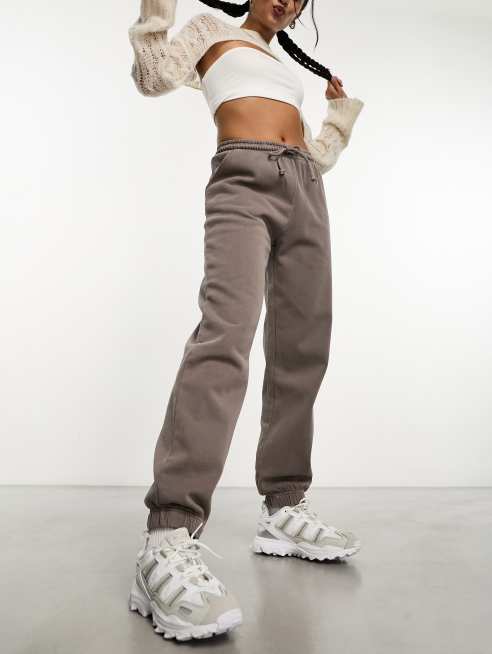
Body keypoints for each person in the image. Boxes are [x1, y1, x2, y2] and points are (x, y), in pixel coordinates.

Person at [127, 0, 364, 641]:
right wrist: (156, 9)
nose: (286, 2)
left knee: (303, 348)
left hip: (305, 188)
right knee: (225, 336)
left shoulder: (284, 67)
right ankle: (168, 534)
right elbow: (152, 74)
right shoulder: (211, 31)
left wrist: (338, 121)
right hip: (242, 179)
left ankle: (283, 506)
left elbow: (313, 152)